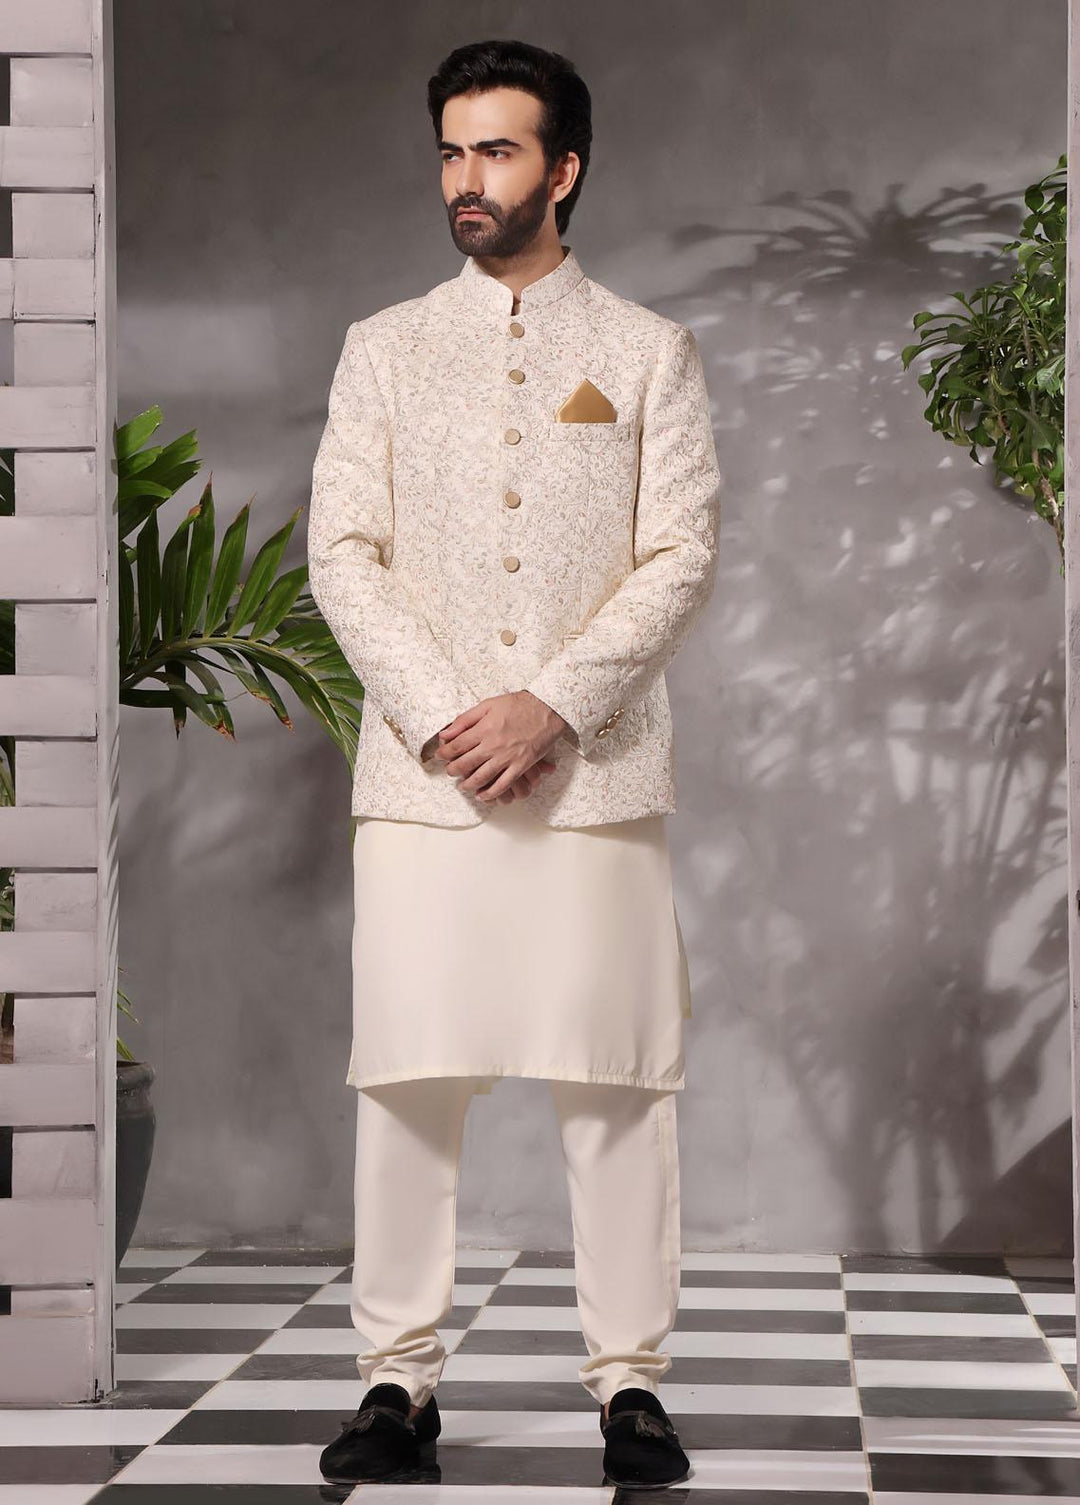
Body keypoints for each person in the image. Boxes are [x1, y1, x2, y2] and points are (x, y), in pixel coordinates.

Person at [308, 36, 721, 1491]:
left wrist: (550, 705)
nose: (465, 179)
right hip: (423, 784)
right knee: (406, 1078)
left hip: (594, 778)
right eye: (451, 151)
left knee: (617, 1082)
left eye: (496, 150)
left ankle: (631, 1384)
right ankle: (396, 1379)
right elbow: (341, 554)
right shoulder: (382, 348)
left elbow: (679, 558)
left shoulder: (648, 353)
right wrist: (446, 716)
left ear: (565, 169)